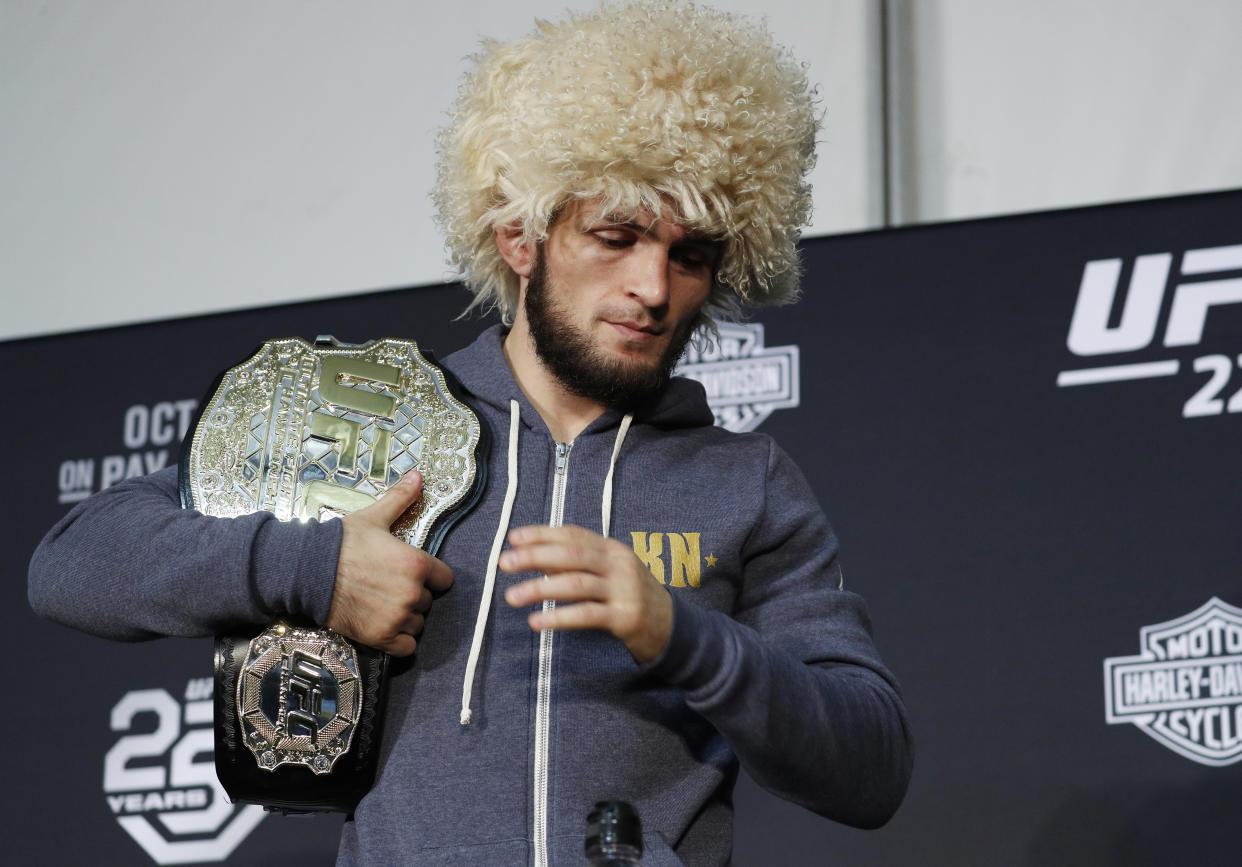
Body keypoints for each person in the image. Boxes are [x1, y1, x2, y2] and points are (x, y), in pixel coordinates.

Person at [29, 1, 913, 864]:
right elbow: (72, 563)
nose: (654, 285)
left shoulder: (744, 481)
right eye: (616, 235)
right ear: (521, 236)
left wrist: (680, 635)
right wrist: (314, 567)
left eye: (689, 255)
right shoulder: (366, 416)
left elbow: (869, 766)